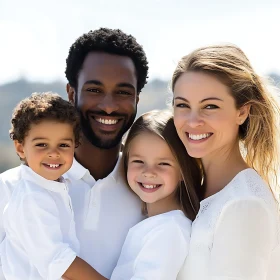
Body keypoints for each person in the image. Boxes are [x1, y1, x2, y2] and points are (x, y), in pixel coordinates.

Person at [0, 27, 149, 279]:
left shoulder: (150, 191)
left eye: (123, 92)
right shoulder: (10, 189)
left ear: (136, 99)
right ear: (71, 93)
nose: (109, 106)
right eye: (94, 90)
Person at [172, 44, 280, 279]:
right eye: (182, 105)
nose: (193, 121)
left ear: (242, 112)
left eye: (210, 106)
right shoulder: (193, 188)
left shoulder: (244, 204)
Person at [1, 92, 109, 279]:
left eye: (63, 145)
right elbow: (58, 260)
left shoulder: (57, 185)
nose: (53, 153)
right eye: (42, 144)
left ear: (75, 144)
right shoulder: (31, 197)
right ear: (20, 148)